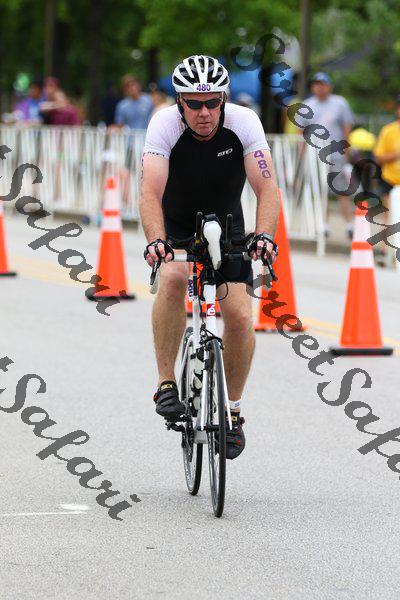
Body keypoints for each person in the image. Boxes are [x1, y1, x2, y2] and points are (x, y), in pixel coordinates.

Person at [139, 55, 280, 460]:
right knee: (173, 278)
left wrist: (264, 236)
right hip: (177, 223)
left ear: (224, 100)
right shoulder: (164, 125)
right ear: (179, 103)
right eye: (194, 104)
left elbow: (267, 189)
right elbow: (150, 192)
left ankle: (232, 412)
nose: (204, 112)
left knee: (239, 317)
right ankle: (166, 383)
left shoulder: (244, 122)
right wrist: (157, 241)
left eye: (213, 102)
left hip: (227, 223)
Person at [298, 72, 355, 238]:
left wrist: (346, 152)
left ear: (329, 86)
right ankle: (323, 223)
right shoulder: (307, 105)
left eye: (322, 84)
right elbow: (301, 132)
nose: (319, 87)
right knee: (320, 190)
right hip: (315, 155)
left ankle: (349, 224)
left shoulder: (340, 103)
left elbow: (346, 127)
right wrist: (302, 156)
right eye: (316, 84)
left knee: (341, 189)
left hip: (336, 154)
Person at [373, 96, 400, 265]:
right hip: (391, 179)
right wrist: (396, 155)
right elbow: (378, 157)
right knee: (388, 215)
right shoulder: (388, 130)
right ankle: (384, 252)